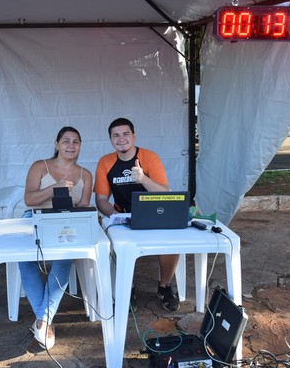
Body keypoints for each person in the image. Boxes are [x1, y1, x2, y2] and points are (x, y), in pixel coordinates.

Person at [93, 117, 180, 311]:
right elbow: (101, 201)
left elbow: (164, 192)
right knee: (115, 246)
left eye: (125, 134)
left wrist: (142, 178)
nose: (121, 139)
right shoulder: (105, 162)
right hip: (121, 216)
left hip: (153, 213)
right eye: (116, 135)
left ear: (134, 136)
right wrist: (115, 217)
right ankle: (127, 288)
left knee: (171, 242)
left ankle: (164, 286)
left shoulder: (149, 157)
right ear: (110, 139)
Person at [19, 126, 93, 349]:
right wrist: (55, 188)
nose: (71, 145)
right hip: (35, 218)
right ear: (56, 144)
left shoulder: (86, 175)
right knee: (25, 260)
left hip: (65, 224)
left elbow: (83, 207)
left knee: (63, 260)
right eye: (66, 141)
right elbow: (29, 200)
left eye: (76, 141)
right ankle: (45, 321)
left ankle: (42, 321)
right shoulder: (40, 167)